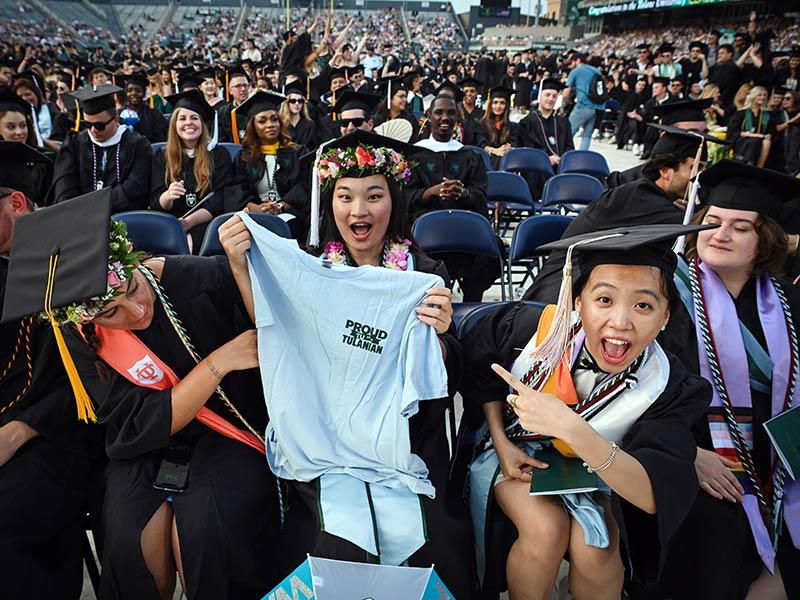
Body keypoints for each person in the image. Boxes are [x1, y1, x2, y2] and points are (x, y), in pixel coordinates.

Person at [218, 130, 477, 599]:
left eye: (374, 196)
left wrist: (440, 334)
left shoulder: (422, 273)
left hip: (407, 440)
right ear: (329, 204)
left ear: (393, 202)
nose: (359, 211)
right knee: (334, 539)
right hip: (326, 435)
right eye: (345, 197)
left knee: (430, 535)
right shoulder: (309, 268)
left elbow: (445, 377)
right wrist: (240, 266)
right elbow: (277, 337)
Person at [3, 188, 282, 599]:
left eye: (131, 287)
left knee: (205, 531)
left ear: (132, 260)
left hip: (226, 431)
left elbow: (276, 350)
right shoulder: (81, 337)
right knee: (132, 537)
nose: (136, 312)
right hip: (145, 443)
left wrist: (241, 270)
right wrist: (216, 363)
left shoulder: (203, 278)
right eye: (110, 312)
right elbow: (131, 425)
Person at [460, 224, 712, 598]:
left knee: (597, 547)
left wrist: (570, 427)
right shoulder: (533, 331)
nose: (620, 322)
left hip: (608, 471)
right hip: (517, 457)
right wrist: (501, 441)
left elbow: (650, 493)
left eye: (643, 305)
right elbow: (481, 371)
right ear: (578, 302)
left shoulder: (666, 384)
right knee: (545, 530)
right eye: (604, 300)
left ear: (665, 318)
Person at [656, 161, 800, 600]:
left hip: (776, 455)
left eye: (741, 227)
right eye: (713, 222)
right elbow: (641, 390)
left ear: (765, 241)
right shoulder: (666, 295)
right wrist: (688, 452)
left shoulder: (788, 302)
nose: (720, 234)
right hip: (696, 450)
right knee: (718, 526)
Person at [0, 142, 98, 600]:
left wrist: (19, 431)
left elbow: (92, 377)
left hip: (59, 432)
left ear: (16, 202)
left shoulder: (69, 257)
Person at [526, 126, 713, 304]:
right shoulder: (636, 198)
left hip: (590, 285)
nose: (701, 176)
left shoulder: (651, 196)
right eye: (696, 167)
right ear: (665, 172)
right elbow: (695, 223)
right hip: (560, 293)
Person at [410, 94, 496, 302]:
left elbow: (481, 196)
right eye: (439, 112)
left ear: (458, 119)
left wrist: (464, 193)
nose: (445, 118)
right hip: (426, 235)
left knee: (491, 251)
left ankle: (472, 304)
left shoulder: (470, 156)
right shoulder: (414, 155)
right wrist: (429, 192)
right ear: (428, 117)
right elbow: (404, 196)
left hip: (465, 232)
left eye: (451, 113)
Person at [150, 89, 233, 251]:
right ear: (175, 124)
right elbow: (154, 201)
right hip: (170, 222)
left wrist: (188, 223)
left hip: (207, 224)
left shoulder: (218, 154)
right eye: (182, 118)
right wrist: (167, 196)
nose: (188, 123)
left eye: (194, 118)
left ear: (202, 124)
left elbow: (220, 199)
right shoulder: (162, 156)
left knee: (190, 245)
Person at [52, 85, 151, 212]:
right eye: (87, 124)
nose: (93, 130)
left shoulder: (137, 144)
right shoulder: (74, 143)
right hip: (79, 215)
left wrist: (95, 206)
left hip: (122, 215)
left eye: (99, 125)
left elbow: (135, 186)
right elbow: (64, 184)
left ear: (116, 119)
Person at [226, 91, 309, 241]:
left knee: (280, 229)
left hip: (289, 214)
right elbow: (235, 191)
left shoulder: (297, 153)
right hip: (254, 213)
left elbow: (303, 187)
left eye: (274, 119)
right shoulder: (244, 157)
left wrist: (280, 206)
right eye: (262, 121)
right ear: (253, 127)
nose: (270, 124)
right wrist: (256, 208)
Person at [519, 78, 574, 169]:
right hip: (536, 170)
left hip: (560, 169)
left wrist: (563, 160)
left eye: (554, 96)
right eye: (547, 95)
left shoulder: (564, 123)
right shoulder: (527, 122)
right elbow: (527, 150)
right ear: (539, 96)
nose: (551, 99)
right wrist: (545, 159)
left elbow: (569, 147)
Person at [564, 53, 605, 151]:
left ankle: (564, 154)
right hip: (598, 106)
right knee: (587, 134)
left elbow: (566, 91)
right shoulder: (596, 71)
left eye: (572, 62)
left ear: (577, 60)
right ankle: (582, 155)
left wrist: (565, 103)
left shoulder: (576, 71)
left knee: (568, 132)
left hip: (583, 104)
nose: (571, 65)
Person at [727, 85, 773, 167]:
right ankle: (749, 165)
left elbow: (770, 131)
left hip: (760, 141)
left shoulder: (767, 115)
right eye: (759, 95)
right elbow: (733, 131)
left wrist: (768, 135)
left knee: (767, 142)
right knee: (754, 141)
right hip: (742, 140)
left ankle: (759, 168)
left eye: (764, 95)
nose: (762, 97)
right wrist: (752, 134)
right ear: (753, 97)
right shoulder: (741, 113)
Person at [476, 86, 518, 169]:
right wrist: (495, 151)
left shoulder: (513, 127)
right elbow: (481, 144)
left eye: (502, 103)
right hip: (486, 163)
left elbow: (514, 143)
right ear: (490, 105)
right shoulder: (481, 125)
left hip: (506, 163)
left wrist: (508, 148)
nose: (498, 106)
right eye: (495, 102)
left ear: (506, 105)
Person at [120, 73, 167, 144]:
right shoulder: (119, 114)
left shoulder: (154, 114)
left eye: (138, 90)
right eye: (129, 90)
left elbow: (161, 138)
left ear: (144, 93)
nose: (133, 93)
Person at [372, 75, 421, 143]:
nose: (405, 99)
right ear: (390, 98)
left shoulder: (410, 119)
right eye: (401, 96)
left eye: (405, 96)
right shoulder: (377, 119)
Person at [278, 80, 318, 150]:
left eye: (300, 101)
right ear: (287, 103)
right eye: (293, 101)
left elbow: (313, 147)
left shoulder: (310, 124)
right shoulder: (281, 124)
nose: (297, 104)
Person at [216, 67, 252, 144]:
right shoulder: (223, 112)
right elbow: (221, 139)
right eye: (238, 86)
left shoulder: (256, 108)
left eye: (245, 85)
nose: (243, 89)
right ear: (230, 90)